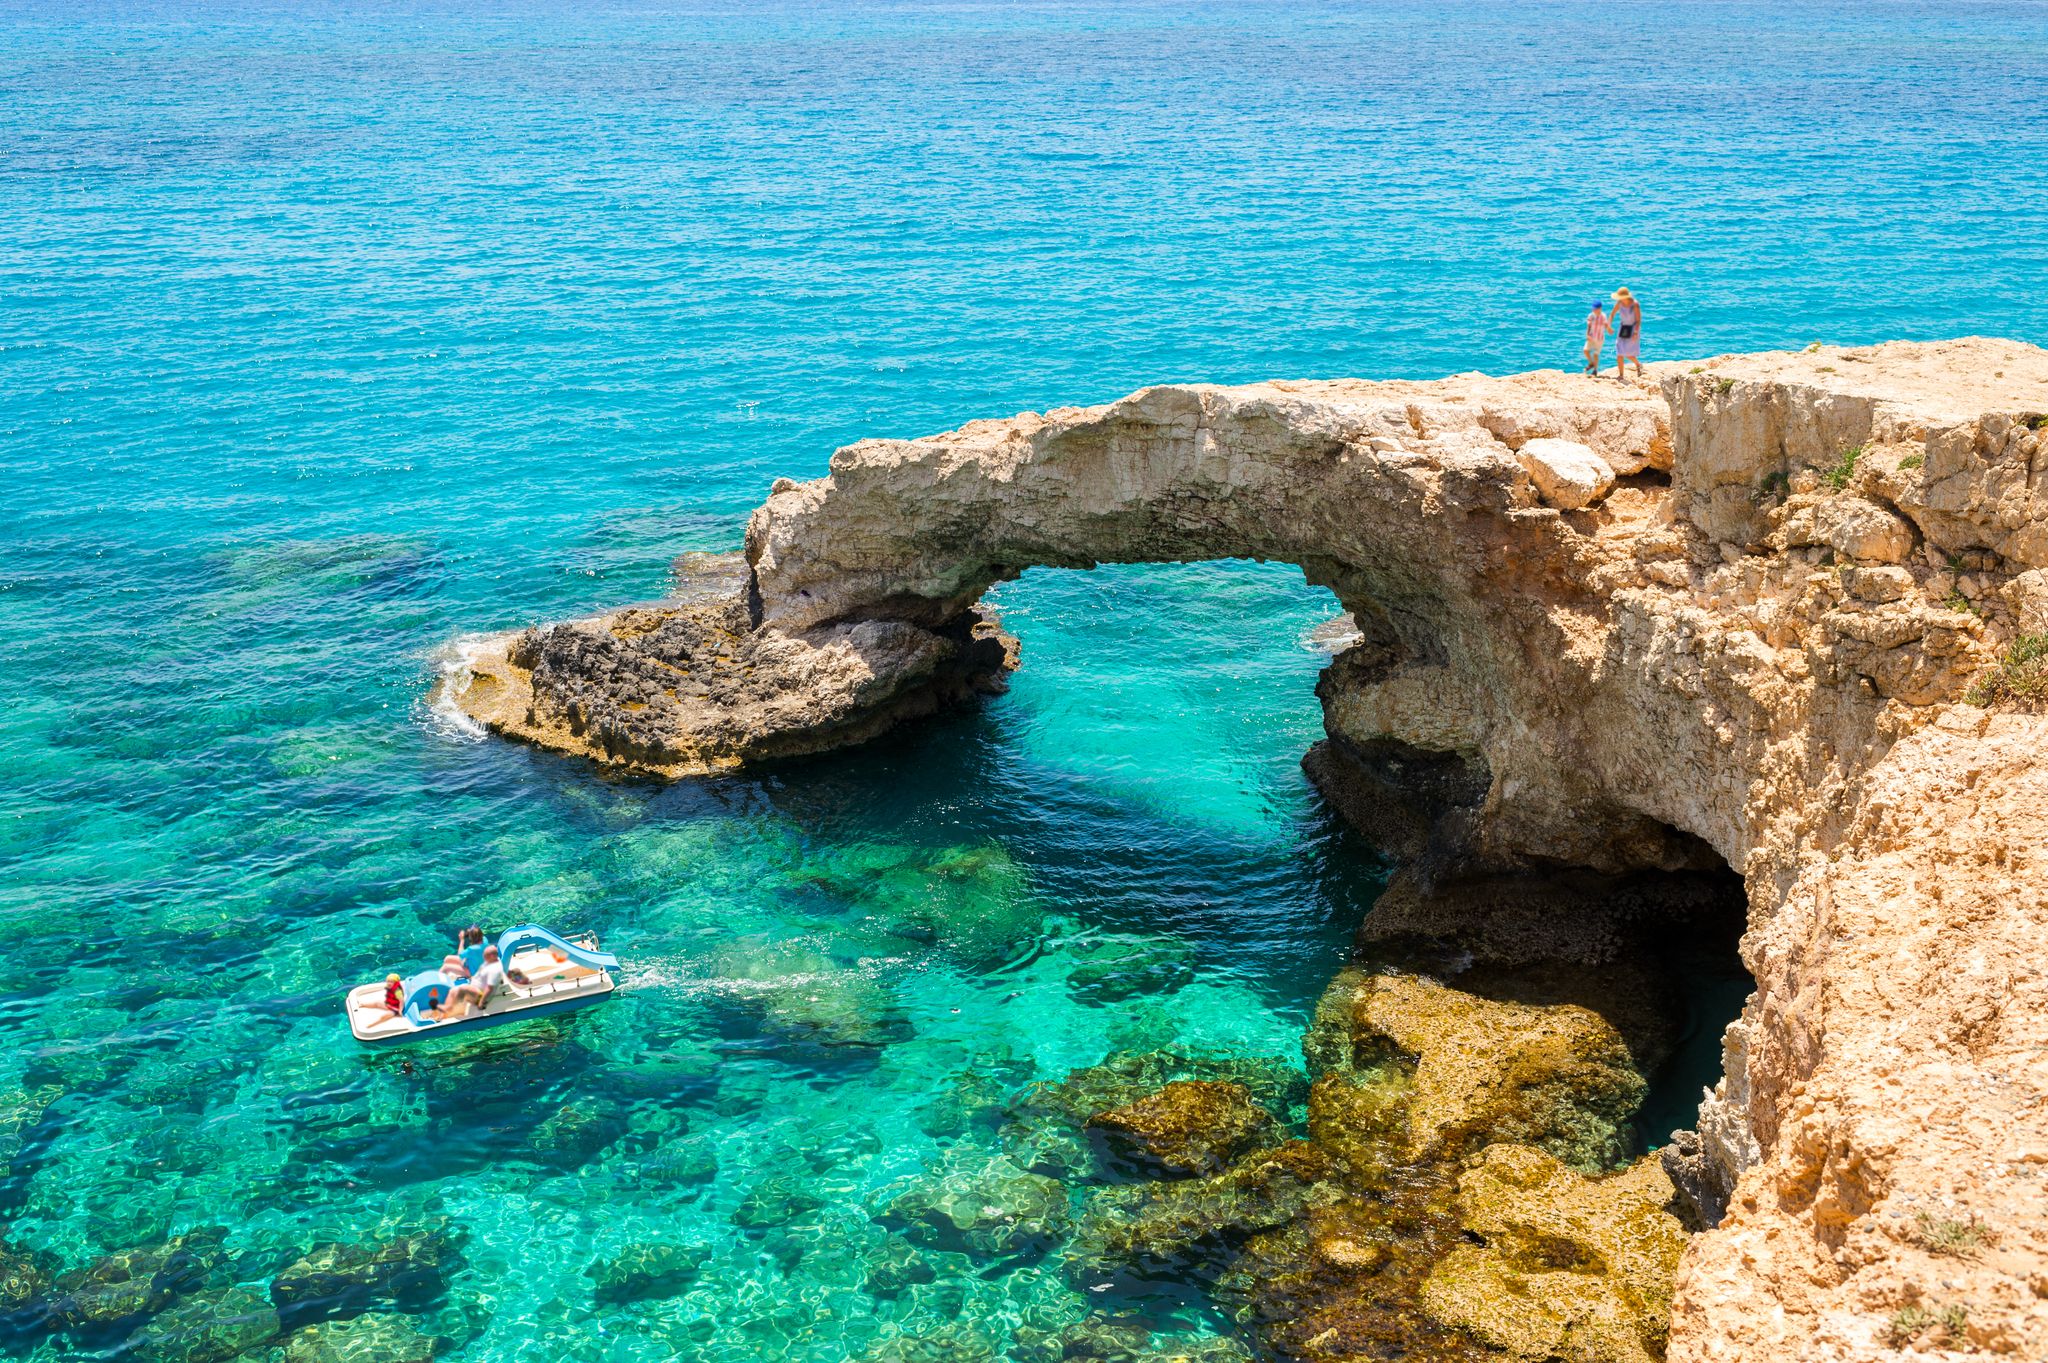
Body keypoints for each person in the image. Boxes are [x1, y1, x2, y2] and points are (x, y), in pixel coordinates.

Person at [438, 944, 510, 1019]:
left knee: (460, 989)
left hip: (480, 994)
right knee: (453, 991)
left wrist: (481, 1003)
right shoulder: (490, 962)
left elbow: (490, 988)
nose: (484, 956)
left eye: (486, 955)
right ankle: (447, 1007)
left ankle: (447, 1009)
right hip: (475, 987)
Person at [1610, 287, 1643, 381]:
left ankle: (1638, 364)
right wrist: (1609, 326)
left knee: (1628, 354)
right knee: (1619, 352)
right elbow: (1612, 314)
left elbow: (1638, 320)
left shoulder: (1635, 304)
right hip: (1623, 328)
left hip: (1633, 330)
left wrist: (1635, 332)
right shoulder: (1619, 303)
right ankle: (1621, 375)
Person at [1582, 300, 1609, 375]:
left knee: (1595, 354)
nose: (1594, 310)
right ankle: (1591, 363)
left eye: (1595, 308)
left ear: (1600, 308)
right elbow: (1589, 325)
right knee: (1585, 350)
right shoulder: (1591, 315)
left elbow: (1605, 325)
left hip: (1599, 338)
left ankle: (1595, 370)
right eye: (1593, 308)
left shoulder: (1603, 316)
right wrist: (1587, 334)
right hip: (1591, 336)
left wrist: (1608, 328)